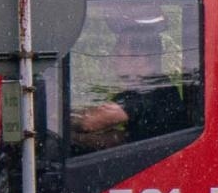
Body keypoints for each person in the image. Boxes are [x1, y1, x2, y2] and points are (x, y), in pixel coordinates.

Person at [70, 9, 193, 151]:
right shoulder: (147, 88)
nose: (112, 58)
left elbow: (91, 121)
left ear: (140, 57)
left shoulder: (150, 92)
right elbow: (122, 138)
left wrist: (60, 122)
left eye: (118, 52)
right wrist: (80, 138)